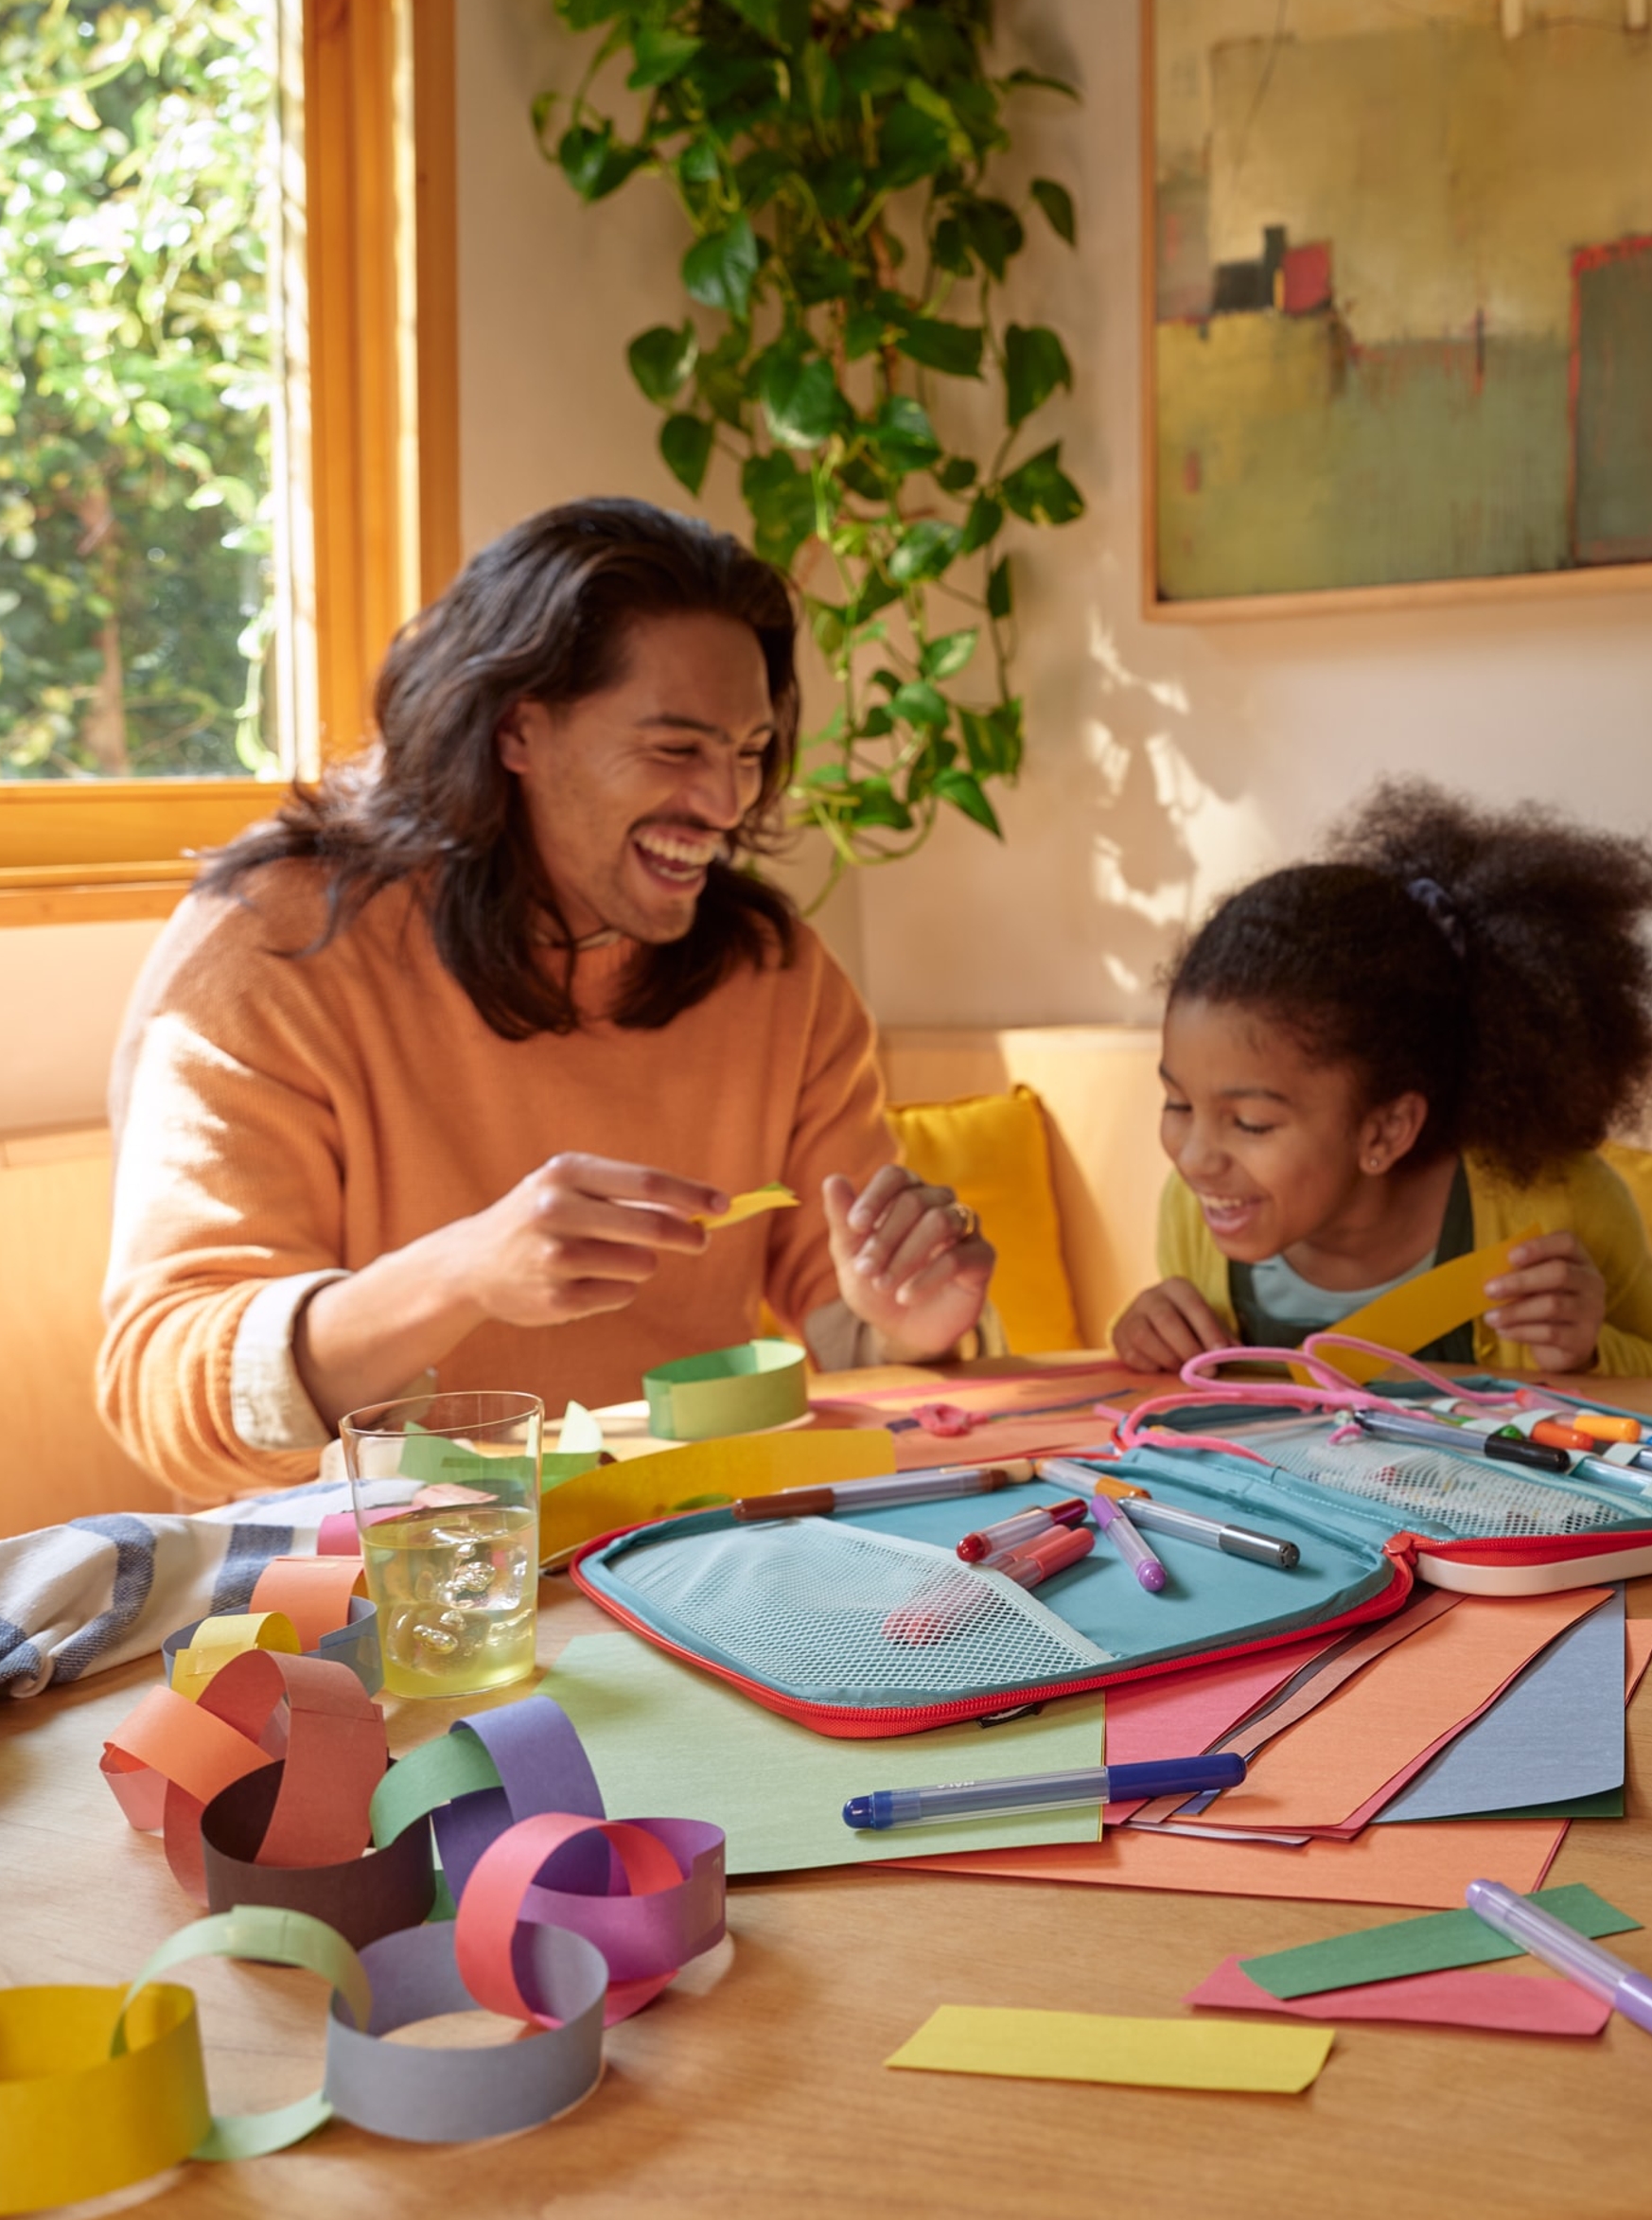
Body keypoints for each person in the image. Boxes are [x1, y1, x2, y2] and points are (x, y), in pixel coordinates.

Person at [99, 499, 994, 1499]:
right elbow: (165, 1381)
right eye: (676, 748)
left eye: (747, 752)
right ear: (519, 729)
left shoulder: (771, 970)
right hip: (388, 1586)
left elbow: (848, 1320)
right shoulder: (270, 944)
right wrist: (464, 1273)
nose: (728, 803)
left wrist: (915, 1320)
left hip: (691, 1545)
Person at [1113, 781, 1652, 1381]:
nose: (1193, 1159)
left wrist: (1591, 1353)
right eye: (1178, 1103)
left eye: (1250, 1123)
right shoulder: (1196, 1212)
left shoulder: (1559, 1203)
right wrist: (1152, 1338)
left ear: (1386, 1129)